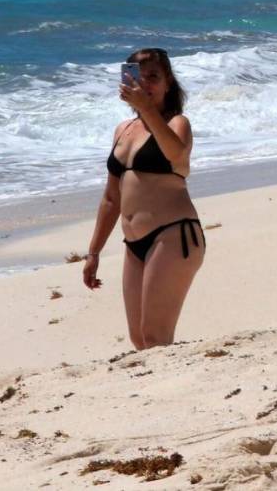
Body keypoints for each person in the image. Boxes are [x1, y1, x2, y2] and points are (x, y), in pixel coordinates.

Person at [81, 48, 206, 349]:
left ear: (168, 84)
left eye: (154, 77)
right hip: (134, 244)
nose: (146, 83)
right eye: (139, 76)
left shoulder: (178, 123)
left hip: (174, 235)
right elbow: (111, 198)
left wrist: (146, 109)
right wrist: (93, 252)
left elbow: (177, 156)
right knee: (140, 339)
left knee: (155, 337)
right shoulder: (123, 131)